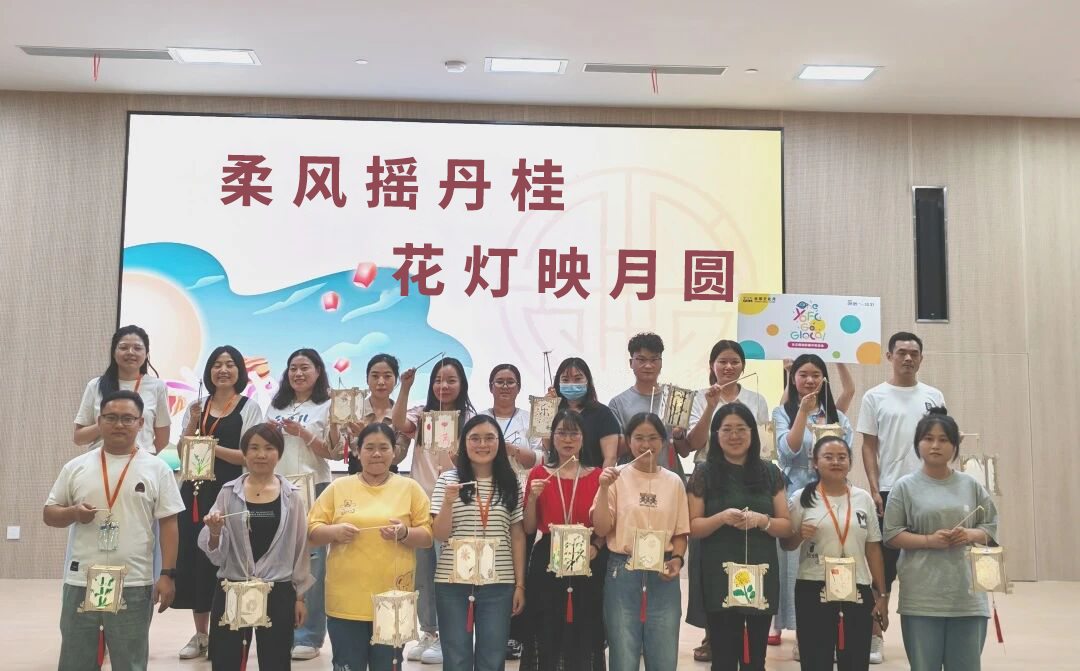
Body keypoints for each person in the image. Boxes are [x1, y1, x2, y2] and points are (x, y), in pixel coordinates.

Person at [45, 390, 184, 671]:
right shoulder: (76, 467)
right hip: (81, 580)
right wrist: (73, 513)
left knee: (130, 662)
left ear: (140, 423)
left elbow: (169, 524)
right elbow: (49, 513)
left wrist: (167, 574)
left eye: (127, 418)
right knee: (75, 661)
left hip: (134, 582)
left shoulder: (157, 469)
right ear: (99, 421)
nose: (119, 424)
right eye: (111, 417)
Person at [308, 423, 434, 671]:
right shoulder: (338, 488)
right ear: (357, 451)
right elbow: (311, 532)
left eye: (384, 448)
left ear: (394, 452)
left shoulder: (410, 488)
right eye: (370, 448)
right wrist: (334, 532)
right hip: (345, 601)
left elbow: (428, 536)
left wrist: (405, 533)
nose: (377, 454)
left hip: (393, 601)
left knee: (388, 666)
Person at [883, 408, 998, 671]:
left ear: (955, 446)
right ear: (918, 443)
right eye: (928, 438)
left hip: (967, 596)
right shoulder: (904, 486)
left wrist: (969, 534)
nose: (935, 445)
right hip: (921, 597)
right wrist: (928, 541)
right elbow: (891, 534)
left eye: (943, 439)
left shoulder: (971, 485)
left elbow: (991, 528)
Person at [858, 332, 944, 664]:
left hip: (927, 489)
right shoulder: (874, 396)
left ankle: (928, 635)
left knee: (927, 565)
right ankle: (874, 635)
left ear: (921, 358)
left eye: (914, 353)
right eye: (901, 352)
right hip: (889, 491)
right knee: (882, 568)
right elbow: (868, 446)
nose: (908, 358)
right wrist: (874, 488)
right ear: (889, 356)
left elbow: (942, 441)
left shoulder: (934, 396)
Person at [199, 423, 314, 671]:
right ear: (244, 453)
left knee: (276, 662)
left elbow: (300, 548)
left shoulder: (292, 496)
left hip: (278, 590)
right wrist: (215, 531)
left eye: (269, 448)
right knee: (226, 661)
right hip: (233, 587)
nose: (261, 454)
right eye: (254, 448)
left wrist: (300, 598)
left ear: (279, 453)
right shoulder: (228, 492)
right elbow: (215, 554)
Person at [175, 346, 265, 660]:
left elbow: (250, 455)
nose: (223, 370)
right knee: (196, 562)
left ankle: (228, 634)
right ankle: (201, 635)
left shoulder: (249, 407)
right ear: (209, 371)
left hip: (230, 493)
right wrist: (192, 424)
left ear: (239, 371)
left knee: (228, 561)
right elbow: (182, 452)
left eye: (229, 364)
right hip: (195, 493)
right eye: (217, 364)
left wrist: (211, 448)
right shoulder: (197, 406)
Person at [688, 403, 792, 671]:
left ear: (752, 433)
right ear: (716, 434)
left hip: (760, 573)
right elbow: (693, 526)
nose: (734, 436)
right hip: (718, 574)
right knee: (723, 659)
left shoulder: (770, 472)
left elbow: (785, 526)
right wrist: (721, 518)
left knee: (755, 659)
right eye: (727, 430)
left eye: (741, 429)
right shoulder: (703, 472)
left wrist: (762, 521)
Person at [685, 340, 771, 662]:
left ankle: (747, 628)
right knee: (708, 556)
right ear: (712, 365)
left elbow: (764, 444)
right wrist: (710, 406)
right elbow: (693, 443)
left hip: (748, 476)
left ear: (743, 366)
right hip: (709, 477)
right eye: (722, 361)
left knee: (746, 549)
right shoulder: (699, 397)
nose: (728, 367)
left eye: (735, 361)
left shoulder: (756, 399)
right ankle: (713, 633)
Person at [392, 356, 476, 664]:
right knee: (423, 575)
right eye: (438, 380)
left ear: (462, 384)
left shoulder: (470, 418)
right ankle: (428, 631)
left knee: (447, 573)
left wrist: (455, 460)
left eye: (451, 380)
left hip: (450, 506)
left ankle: (449, 635)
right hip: (419, 505)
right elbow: (398, 423)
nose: (444, 386)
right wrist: (405, 387)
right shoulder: (421, 414)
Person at [592, 413, 689, 671]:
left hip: (663, 574)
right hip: (622, 571)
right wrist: (603, 488)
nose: (646, 444)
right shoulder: (616, 477)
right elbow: (601, 528)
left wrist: (677, 559)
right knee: (623, 655)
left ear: (663, 441)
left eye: (653, 438)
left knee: (664, 656)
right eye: (639, 438)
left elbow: (681, 532)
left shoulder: (674, 482)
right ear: (628, 441)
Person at [781, 436, 887, 671]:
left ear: (850, 462)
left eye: (842, 457)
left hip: (857, 587)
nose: (836, 462)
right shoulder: (801, 498)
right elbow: (786, 544)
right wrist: (799, 534)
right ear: (815, 463)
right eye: (828, 457)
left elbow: (873, 548)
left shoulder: (863, 498)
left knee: (856, 661)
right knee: (815, 661)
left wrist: (882, 594)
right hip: (813, 586)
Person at [773, 354, 854, 656]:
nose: (809, 380)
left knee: (830, 558)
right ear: (793, 378)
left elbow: (845, 454)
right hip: (796, 495)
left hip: (833, 496)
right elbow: (788, 451)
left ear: (824, 379)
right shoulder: (782, 412)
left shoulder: (837, 416)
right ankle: (802, 635)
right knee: (797, 566)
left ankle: (832, 627)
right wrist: (803, 413)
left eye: (816, 375)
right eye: (803, 374)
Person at [431, 415, 526, 671]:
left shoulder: (511, 482)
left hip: (499, 582)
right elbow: (439, 534)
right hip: (452, 582)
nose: (482, 444)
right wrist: (448, 503)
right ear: (464, 444)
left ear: (499, 443)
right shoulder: (448, 480)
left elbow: (517, 534)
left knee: (493, 658)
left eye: (489, 438)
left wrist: (520, 584)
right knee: (456, 658)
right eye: (474, 438)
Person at [263, 348, 338, 661]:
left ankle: (308, 635)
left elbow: (335, 452)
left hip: (314, 486)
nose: (298, 373)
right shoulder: (276, 405)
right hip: (277, 487)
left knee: (313, 560)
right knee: (278, 558)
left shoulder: (328, 405)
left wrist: (303, 433)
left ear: (318, 371)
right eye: (293, 368)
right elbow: (263, 446)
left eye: (305, 367)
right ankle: (281, 629)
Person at [520, 409, 607, 671]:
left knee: (584, 628)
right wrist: (532, 498)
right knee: (547, 628)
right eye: (561, 433)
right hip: (548, 557)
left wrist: (596, 546)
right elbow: (529, 527)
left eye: (574, 433)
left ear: (583, 438)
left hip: (587, 554)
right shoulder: (538, 474)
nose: (568, 439)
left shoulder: (598, 476)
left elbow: (605, 527)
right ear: (552, 437)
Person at [481, 363, 543, 660]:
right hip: (487, 502)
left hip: (521, 499)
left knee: (521, 567)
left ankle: (517, 634)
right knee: (492, 564)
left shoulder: (529, 420)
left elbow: (540, 458)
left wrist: (511, 449)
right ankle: (491, 632)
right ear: (490, 386)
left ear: (519, 388)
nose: (505, 387)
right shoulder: (480, 419)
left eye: (510, 382)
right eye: (499, 381)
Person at [73, 325, 170, 454]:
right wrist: (107, 422)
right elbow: (79, 438)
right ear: (114, 353)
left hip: (139, 462)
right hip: (102, 461)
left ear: (146, 354)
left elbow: (163, 439)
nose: (130, 352)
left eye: (137, 348)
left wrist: (145, 460)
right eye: (123, 347)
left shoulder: (157, 387)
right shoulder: (95, 385)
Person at [607, 333, 692, 477]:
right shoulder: (618, 403)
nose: (648, 365)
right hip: (631, 480)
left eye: (654, 359)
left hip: (669, 479)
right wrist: (641, 434)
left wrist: (678, 436)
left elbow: (684, 452)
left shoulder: (677, 398)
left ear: (661, 362)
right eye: (641, 360)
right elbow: (614, 450)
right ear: (631, 363)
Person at [346, 354, 411, 474]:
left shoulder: (401, 416)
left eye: (387, 376)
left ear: (396, 380)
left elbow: (398, 456)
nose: (381, 382)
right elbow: (342, 451)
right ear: (367, 379)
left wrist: (364, 434)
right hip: (355, 478)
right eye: (375, 376)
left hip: (390, 480)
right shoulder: (353, 411)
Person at [551, 357, 620, 468]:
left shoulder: (603, 413)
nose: (571, 384)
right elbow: (546, 449)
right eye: (565, 380)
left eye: (577, 379)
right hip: (556, 475)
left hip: (593, 477)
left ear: (588, 381)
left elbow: (610, 458)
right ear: (558, 382)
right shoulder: (554, 411)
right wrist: (548, 408)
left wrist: (603, 479)